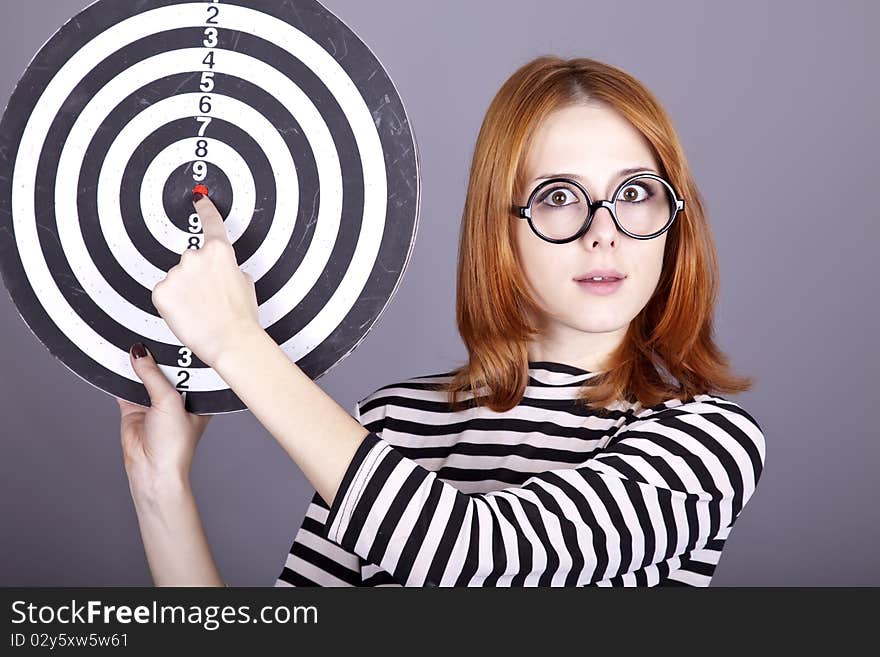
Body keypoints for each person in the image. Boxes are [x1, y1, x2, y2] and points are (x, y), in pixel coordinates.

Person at [117, 55, 766, 587]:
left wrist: (238, 344)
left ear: (673, 218)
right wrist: (160, 488)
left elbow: (476, 561)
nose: (605, 233)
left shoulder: (707, 441)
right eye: (559, 196)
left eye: (634, 192)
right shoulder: (391, 424)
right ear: (498, 225)